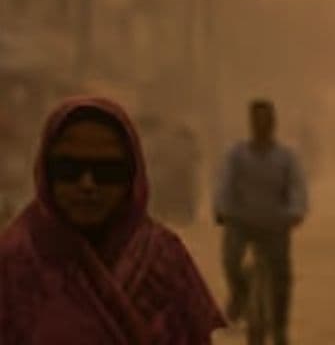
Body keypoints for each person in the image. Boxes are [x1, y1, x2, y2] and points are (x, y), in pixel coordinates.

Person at [0, 96, 224, 343]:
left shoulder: (165, 260)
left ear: (131, 177)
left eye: (107, 172)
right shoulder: (15, 261)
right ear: (46, 173)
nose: (87, 185)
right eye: (69, 170)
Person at [214, 98, 308, 345]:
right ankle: (239, 293)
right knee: (231, 260)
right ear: (250, 123)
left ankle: (280, 328)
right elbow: (224, 184)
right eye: (257, 120)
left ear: (274, 122)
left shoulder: (286, 156)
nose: (262, 125)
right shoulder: (237, 154)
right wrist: (222, 209)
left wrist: (295, 212)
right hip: (241, 221)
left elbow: (298, 188)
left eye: (266, 120)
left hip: (275, 223)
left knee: (281, 277)